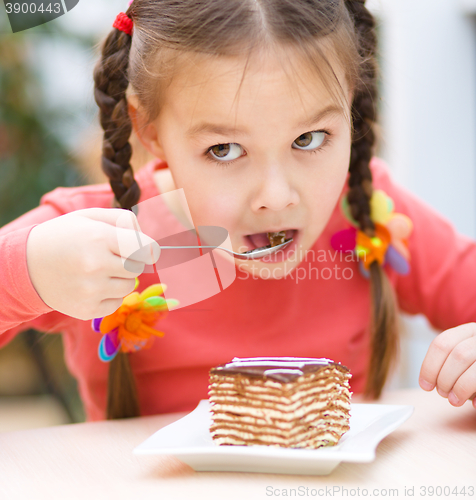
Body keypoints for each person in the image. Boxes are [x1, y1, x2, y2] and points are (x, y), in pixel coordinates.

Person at [1, 0, 475, 421]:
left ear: (350, 105)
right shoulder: (91, 237)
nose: (275, 196)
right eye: (225, 149)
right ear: (149, 129)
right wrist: (29, 272)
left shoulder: (366, 211)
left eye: (308, 140)